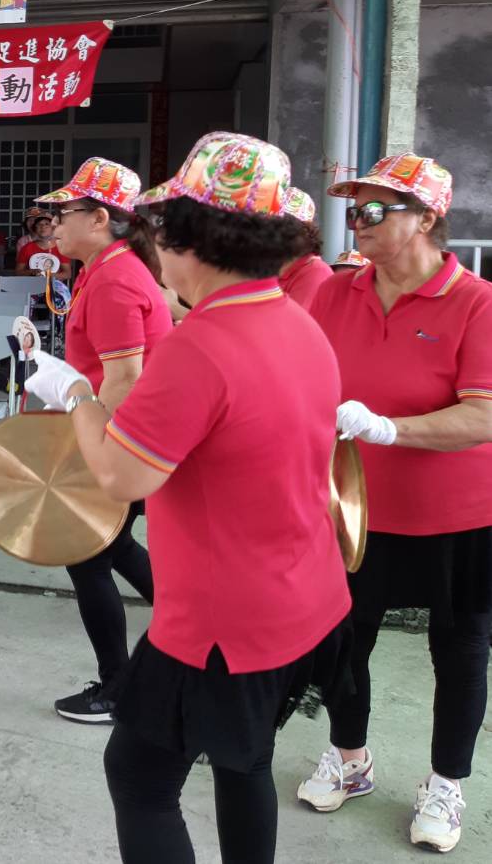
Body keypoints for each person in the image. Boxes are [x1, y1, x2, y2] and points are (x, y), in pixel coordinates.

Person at [25, 133, 350, 864]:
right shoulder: (298, 320)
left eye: (160, 228)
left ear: (192, 237)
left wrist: (72, 391)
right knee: (243, 761)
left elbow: (120, 476)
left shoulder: (198, 346)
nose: (154, 246)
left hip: (218, 624)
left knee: (137, 778)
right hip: (302, 596)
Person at [298, 153, 492, 854]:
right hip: (354, 509)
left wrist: (390, 429)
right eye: (354, 210)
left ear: (427, 219)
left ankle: (445, 784)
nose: (359, 222)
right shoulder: (335, 293)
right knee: (344, 639)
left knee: (461, 650)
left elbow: (483, 414)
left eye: (376, 210)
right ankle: (349, 760)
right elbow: (298, 373)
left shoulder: (477, 303)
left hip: (460, 517)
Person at [33, 157, 169, 725]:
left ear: (101, 218)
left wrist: (92, 444)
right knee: (107, 550)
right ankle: (196, 623)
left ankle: (118, 686)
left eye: (64, 213)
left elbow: (125, 379)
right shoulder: (103, 268)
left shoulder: (115, 278)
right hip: (122, 434)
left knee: (89, 554)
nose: (53, 224)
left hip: (120, 438)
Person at [279, 188, 333, 307]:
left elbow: (291, 323)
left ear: (305, 232)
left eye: (286, 226)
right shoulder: (270, 266)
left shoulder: (315, 271)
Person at [17, 214, 72, 279]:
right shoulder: (27, 248)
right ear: (35, 229)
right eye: (39, 224)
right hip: (31, 285)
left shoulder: (61, 248)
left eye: (47, 224)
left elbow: (68, 274)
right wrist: (31, 272)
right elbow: (18, 272)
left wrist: (49, 275)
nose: (43, 227)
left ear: (53, 228)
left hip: (54, 287)